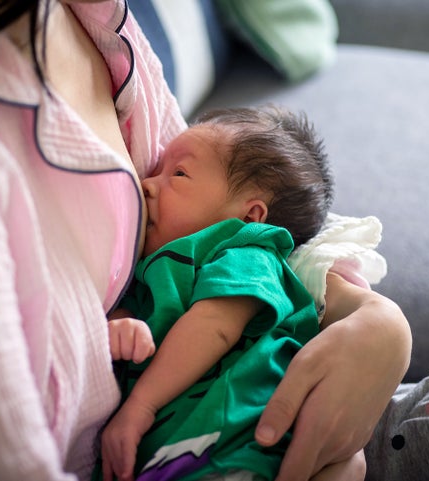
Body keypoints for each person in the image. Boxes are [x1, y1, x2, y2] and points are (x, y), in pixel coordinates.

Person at [0, 1, 429, 481]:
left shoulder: (88, 17)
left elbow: (233, 221)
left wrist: (371, 321)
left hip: (268, 412)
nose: (150, 182)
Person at [97, 106, 364, 481]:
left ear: (250, 217)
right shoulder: (155, 263)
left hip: (245, 442)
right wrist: (122, 325)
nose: (147, 184)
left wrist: (140, 406)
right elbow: (150, 318)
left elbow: (214, 326)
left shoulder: (246, 250)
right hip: (178, 456)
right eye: (157, 170)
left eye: (178, 173)